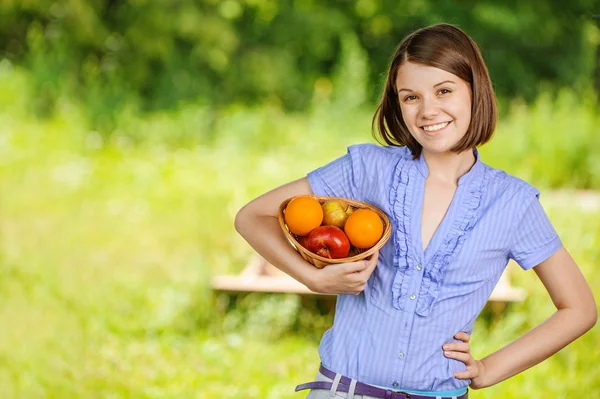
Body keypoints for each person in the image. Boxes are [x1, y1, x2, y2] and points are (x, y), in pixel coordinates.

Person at [234, 23, 597, 398]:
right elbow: (252, 217)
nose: (428, 110)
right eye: (410, 97)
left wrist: (490, 368)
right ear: (397, 103)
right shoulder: (366, 170)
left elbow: (579, 308)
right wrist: (314, 279)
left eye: (444, 91)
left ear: (475, 90)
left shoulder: (512, 203)